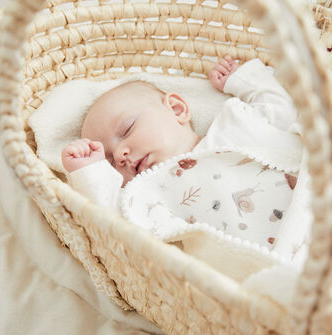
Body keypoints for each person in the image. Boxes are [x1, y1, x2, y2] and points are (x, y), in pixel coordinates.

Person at [61, 55, 303, 250]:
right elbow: (112, 220)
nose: (121, 155)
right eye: (110, 161)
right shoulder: (151, 195)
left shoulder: (234, 124)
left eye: (127, 129)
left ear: (177, 109)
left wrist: (241, 79)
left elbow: (280, 110)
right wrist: (88, 171)